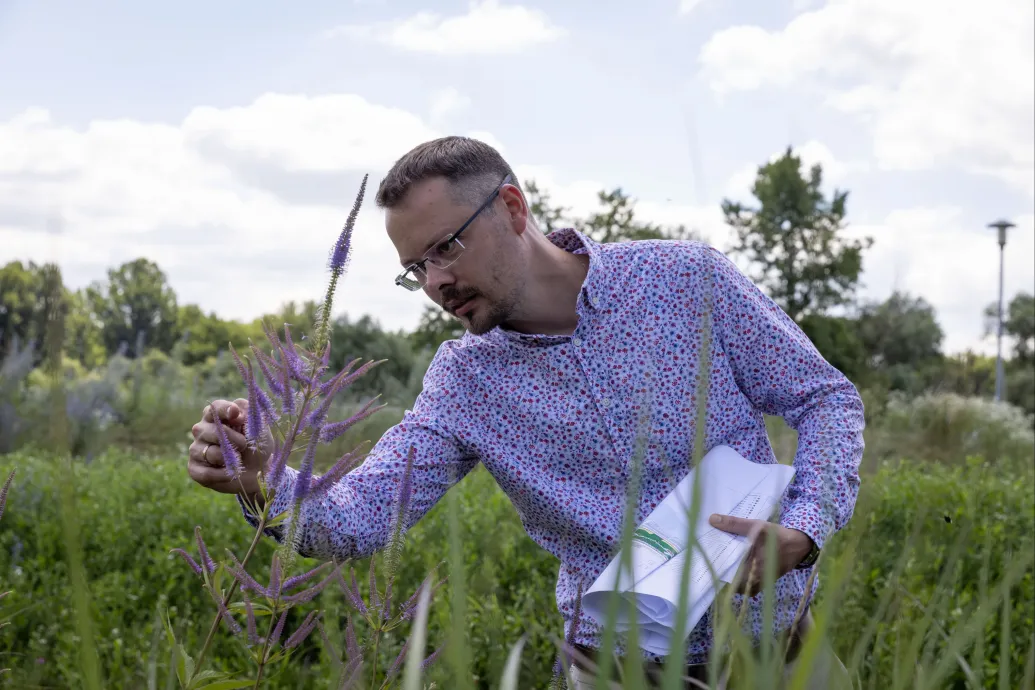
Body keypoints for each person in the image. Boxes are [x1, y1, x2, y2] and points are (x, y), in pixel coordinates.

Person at [187, 136, 863, 688]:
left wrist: (804, 530)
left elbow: (824, 398)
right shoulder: (463, 382)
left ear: (511, 206)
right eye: (413, 269)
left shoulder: (684, 280)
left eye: (444, 248)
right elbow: (362, 518)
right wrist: (264, 481)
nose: (435, 283)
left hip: (776, 646)